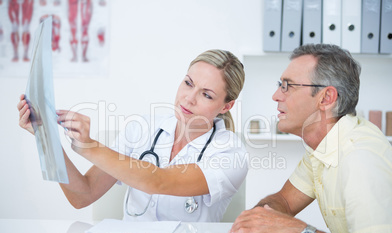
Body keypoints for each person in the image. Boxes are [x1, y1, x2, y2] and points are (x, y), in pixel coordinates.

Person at [18, 49, 248, 222]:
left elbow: (158, 181)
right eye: (188, 83)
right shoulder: (142, 128)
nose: (189, 98)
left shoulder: (231, 153)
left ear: (226, 106)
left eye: (206, 95)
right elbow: (83, 195)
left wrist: (89, 147)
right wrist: (45, 137)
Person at [230, 44, 392, 233]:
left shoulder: (360, 158)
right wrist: (262, 217)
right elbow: (283, 201)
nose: (275, 96)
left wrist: (294, 230)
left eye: (287, 86)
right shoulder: (322, 148)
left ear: (326, 98)